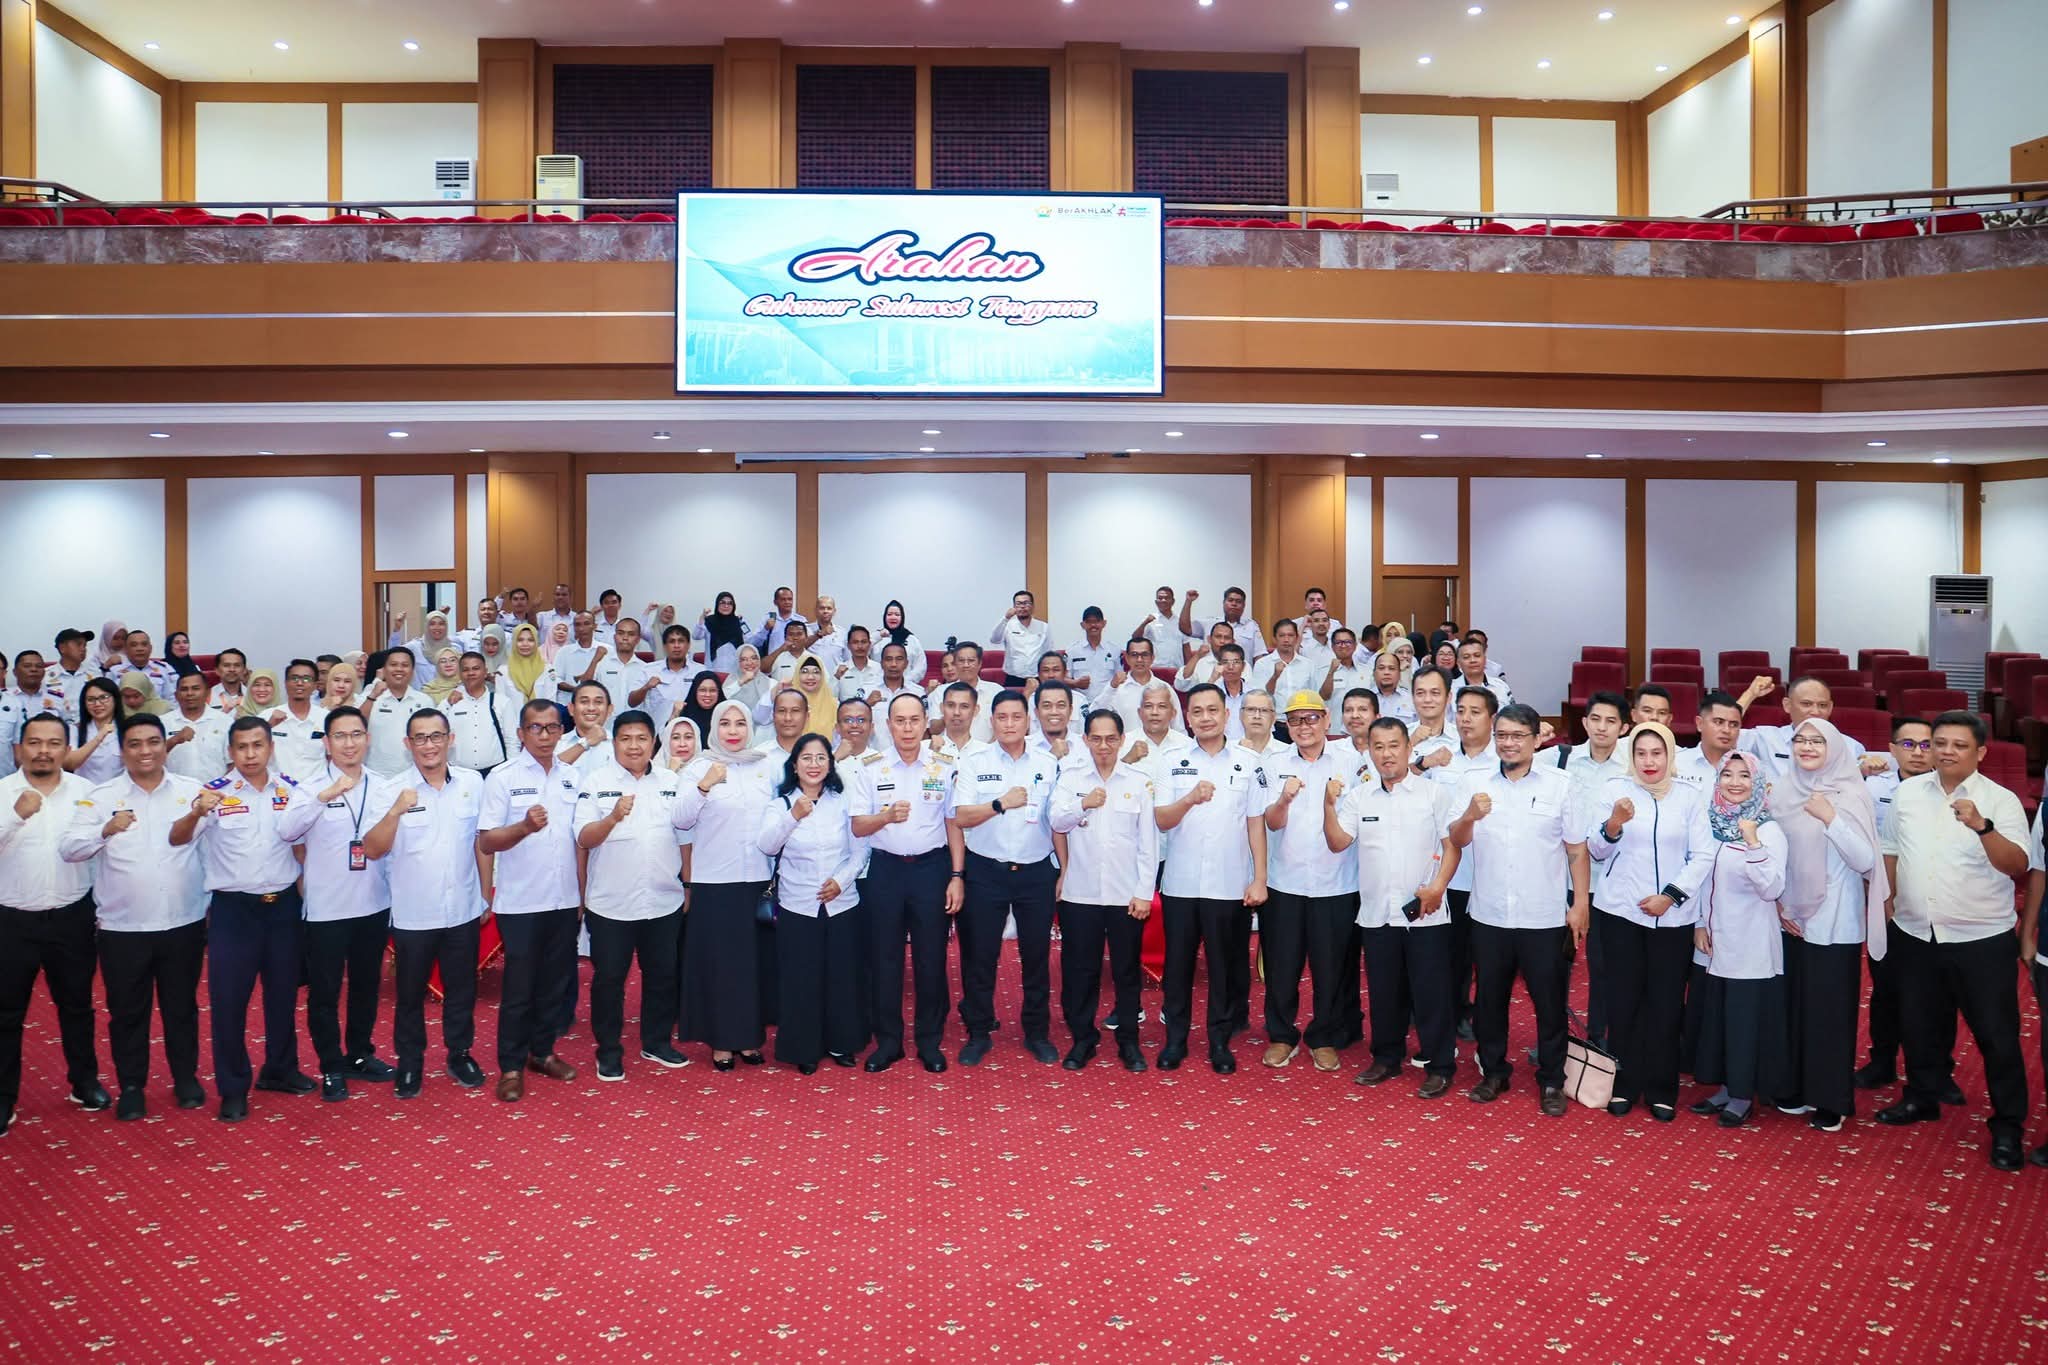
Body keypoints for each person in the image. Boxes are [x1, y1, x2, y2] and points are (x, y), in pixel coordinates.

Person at [1874, 712, 2030, 1170]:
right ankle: (1922, 1096)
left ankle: (2008, 1126)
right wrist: (1889, 904)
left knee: (1997, 1036)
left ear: (1980, 752)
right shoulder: (1906, 793)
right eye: (1937, 743)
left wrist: (1983, 827)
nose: (1944, 752)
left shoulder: (2000, 800)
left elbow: (2017, 865)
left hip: (1980, 937)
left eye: (1958, 745)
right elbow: (1891, 850)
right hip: (1915, 932)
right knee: (1918, 1025)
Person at [59, 715, 208, 1121]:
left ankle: (185, 1079)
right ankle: (131, 1086)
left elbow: (214, 846)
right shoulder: (101, 796)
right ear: (122, 750)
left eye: (154, 742)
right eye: (135, 744)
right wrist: (105, 830)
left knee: (181, 1007)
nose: (146, 751)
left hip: (183, 921)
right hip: (123, 928)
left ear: (165, 745)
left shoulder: (191, 791)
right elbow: (69, 848)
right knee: (127, 1012)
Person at [171, 717, 319, 1123]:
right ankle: (233, 1086)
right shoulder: (213, 794)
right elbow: (178, 838)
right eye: (242, 747)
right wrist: (195, 813)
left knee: (283, 995)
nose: (250, 755)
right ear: (230, 751)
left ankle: (280, 1069)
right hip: (234, 911)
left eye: (258, 745)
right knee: (229, 1002)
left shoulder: (291, 790)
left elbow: (303, 847)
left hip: (283, 907)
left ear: (271, 748)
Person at [1449, 703, 1591, 1117]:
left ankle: (1552, 1080)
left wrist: (1580, 903)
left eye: (1517, 736)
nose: (1509, 744)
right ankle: (1494, 1072)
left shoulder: (1561, 785)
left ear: (1536, 740)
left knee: (1550, 1003)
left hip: (1543, 915)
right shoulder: (1474, 782)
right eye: (1502, 736)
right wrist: (1470, 816)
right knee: (1489, 1000)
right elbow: (1456, 839)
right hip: (1490, 913)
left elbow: (1577, 849)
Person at [1327, 716, 1462, 1096]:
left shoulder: (1433, 794)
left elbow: (1452, 846)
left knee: (1431, 993)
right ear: (1370, 752)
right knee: (1384, 992)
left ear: (1408, 748)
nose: (1386, 754)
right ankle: (1386, 1058)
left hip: (1426, 912)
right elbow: (1338, 842)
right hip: (1377, 913)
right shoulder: (1360, 797)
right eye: (1379, 747)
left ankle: (1440, 1064)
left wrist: (1438, 888)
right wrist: (1328, 805)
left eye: (1393, 746)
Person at [1586, 723, 1711, 1123]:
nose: (1649, 761)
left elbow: (1703, 855)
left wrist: (1670, 896)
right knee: (1623, 1002)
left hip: (1672, 917)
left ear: (1670, 755)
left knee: (1665, 1003)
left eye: (1657, 752)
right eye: (1641, 753)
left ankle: (1661, 1088)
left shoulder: (1689, 796)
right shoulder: (1614, 790)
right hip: (1620, 912)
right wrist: (1613, 824)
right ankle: (1623, 1084)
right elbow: (1596, 850)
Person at [362, 708, 488, 1099]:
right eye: (420, 738)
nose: (429, 745)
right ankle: (410, 1063)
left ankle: (459, 1054)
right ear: (408, 744)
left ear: (451, 740)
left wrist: (486, 895)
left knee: (462, 990)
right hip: (413, 913)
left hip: (463, 907)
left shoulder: (472, 783)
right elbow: (372, 848)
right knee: (409, 996)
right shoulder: (390, 789)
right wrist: (395, 812)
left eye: (436, 736)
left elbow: (481, 842)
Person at [1768, 717, 1884, 1133]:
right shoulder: (1784, 791)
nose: (1807, 747)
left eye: (1818, 741)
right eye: (1801, 739)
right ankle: (1795, 1088)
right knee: (1794, 1008)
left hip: (1835, 921)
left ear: (1834, 748)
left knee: (1829, 1014)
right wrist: (1780, 904)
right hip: (1791, 916)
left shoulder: (1851, 793)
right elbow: (1776, 855)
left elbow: (1866, 861)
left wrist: (1831, 818)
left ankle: (1831, 1099)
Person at [1154, 683, 1272, 1074]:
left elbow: (1255, 824)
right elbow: (1161, 819)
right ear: (1187, 719)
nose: (1205, 718)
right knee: (1178, 967)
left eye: (1212, 710)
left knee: (1224, 966)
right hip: (1182, 883)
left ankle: (1220, 1040)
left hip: (1229, 883)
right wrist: (1189, 798)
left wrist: (1260, 878)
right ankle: (1175, 1039)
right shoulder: (1170, 760)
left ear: (1226, 715)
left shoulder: (1248, 762)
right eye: (1197, 712)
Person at [0, 713, 109, 1132]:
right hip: (11, 920)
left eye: (53, 743)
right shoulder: (4, 792)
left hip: (71, 916)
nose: (43, 751)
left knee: (77, 1006)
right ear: (19, 749)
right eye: (34, 742)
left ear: (67, 749)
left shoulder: (86, 792)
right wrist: (14, 816)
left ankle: (84, 1083)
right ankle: (3, 1098)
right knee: (7, 1014)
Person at [573, 710, 691, 1081]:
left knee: (663, 976)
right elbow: (583, 838)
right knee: (609, 980)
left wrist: (688, 885)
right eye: (626, 738)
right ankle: (608, 1051)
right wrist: (611, 818)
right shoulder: (596, 781)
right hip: (611, 903)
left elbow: (685, 838)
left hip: (664, 899)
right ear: (614, 743)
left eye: (642, 738)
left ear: (653, 742)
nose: (634, 746)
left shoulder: (672, 781)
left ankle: (656, 1042)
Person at [477, 699, 586, 1101]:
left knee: (554, 984)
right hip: (521, 902)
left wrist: (581, 893)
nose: (544, 735)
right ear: (521, 733)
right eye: (535, 728)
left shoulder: (572, 776)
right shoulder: (502, 778)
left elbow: (579, 841)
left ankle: (542, 1052)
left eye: (552, 728)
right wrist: (523, 827)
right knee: (519, 989)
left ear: (562, 732)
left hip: (564, 899)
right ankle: (510, 1066)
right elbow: (487, 840)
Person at [947, 691, 1063, 1067]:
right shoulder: (974, 761)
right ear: (992, 721)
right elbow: (961, 816)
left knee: (1037, 957)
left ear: (1028, 721)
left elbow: (1057, 822)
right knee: (980, 956)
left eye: (1016, 717)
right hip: (986, 871)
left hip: (1035, 872)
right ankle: (978, 1032)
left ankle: (1037, 1033)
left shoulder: (1048, 763)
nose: (1009, 724)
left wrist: (1064, 870)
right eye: (1002, 717)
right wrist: (1000, 803)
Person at [851, 693, 965, 1073]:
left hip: (931, 870)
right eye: (899, 721)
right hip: (886, 871)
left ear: (925, 723)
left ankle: (929, 1041)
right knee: (885, 959)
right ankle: (889, 1042)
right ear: (888, 726)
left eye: (914, 720)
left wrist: (957, 876)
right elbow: (858, 825)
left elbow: (953, 824)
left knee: (931, 959)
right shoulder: (871, 767)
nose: (907, 728)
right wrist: (884, 817)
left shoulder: (943, 765)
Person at [294, 706, 399, 1102]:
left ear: (368, 739)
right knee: (324, 993)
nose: (349, 743)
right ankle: (330, 1065)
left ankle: (359, 1055)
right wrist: (322, 798)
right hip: (327, 909)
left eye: (356, 734)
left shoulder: (384, 786)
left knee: (366, 986)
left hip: (372, 904)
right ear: (327, 743)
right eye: (340, 736)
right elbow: (287, 832)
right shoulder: (310, 786)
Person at [1048, 708, 1157, 1072]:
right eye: (1096, 739)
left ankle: (1129, 1041)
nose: (1104, 746)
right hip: (1081, 893)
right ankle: (1083, 1038)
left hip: (1125, 895)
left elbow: (1148, 843)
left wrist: (1144, 892)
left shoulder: (1138, 782)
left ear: (1122, 740)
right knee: (1080, 971)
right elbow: (1055, 820)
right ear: (1085, 740)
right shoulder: (1071, 777)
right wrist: (1083, 803)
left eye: (1111, 739)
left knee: (1126, 971)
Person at [1259, 691, 1362, 1072]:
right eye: (1295, 720)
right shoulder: (1273, 763)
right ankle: (1282, 1035)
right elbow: (1271, 822)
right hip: (1285, 882)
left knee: (1331, 967)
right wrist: (1283, 800)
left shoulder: (1351, 762)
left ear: (1327, 720)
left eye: (1312, 718)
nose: (1304, 726)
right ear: (1286, 725)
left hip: (1336, 883)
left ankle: (1324, 1037)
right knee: (1282, 965)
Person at [672, 700, 778, 1069]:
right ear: (714, 728)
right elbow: (680, 819)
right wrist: (704, 785)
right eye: (725, 723)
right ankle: (720, 1040)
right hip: (716, 881)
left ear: (750, 727)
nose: (733, 731)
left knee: (752, 965)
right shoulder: (698, 767)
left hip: (758, 879)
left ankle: (748, 1038)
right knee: (721, 966)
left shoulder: (764, 765)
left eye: (740, 723)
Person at [756, 733, 868, 1073]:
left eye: (821, 758)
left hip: (842, 903)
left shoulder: (844, 801)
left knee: (842, 976)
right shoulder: (780, 804)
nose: (814, 764)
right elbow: (766, 845)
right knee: (801, 978)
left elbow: (860, 850)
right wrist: (793, 815)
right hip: (797, 905)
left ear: (830, 764)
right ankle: (804, 1047)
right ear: (794, 765)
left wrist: (840, 881)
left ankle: (842, 1043)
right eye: (806, 758)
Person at [1689, 752, 1790, 1128]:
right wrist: (1700, 923)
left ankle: (1744, 1095)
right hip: (1714, 942)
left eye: (1744, 775)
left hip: (1751, 943)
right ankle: (1726, 1087)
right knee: (1719, 1020)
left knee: (1744, 1022)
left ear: (1758, 783)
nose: (1734, 782)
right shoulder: (1710, 823)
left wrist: (1753, 843)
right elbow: (1702, 878)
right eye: (1727, 774)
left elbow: (1773, 888)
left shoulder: (1769, 830)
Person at [1856, 717, 1954, 1096]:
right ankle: (1882, 1061)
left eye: (1927, 745)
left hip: (1935, 907)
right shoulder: (1871, 787)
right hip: (1882, 903)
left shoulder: (1951, 790)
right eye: (1908, 745)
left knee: (1941, 993)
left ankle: (1940, 1071)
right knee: (1886, 988)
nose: (1918, 753)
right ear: (1892, 749)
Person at [1565, 691, 1630, 1050]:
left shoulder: (1631, 769)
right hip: (1565, 879)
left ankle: (1598, 1039)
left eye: (1611, 721)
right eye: (1596, 719)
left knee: (1604, 965)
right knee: (1557, 964)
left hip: (1609, 882)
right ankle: (1555, 1039)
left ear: (1624, 728)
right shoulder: (1561, 760)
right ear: (1585, 722)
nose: (1602, 727)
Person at [364, 649, 433, 778]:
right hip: (376, 773)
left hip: (414, 774)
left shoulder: (424, 701)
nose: (399, 669)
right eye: (393, 665)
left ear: (412, 671)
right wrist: (372, 696)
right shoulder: (369, 697)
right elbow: (357, 724)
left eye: (405, 665)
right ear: (384, 670)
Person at [447, 651, 518, 775]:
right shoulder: (450, 704)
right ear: (460, 674)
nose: (471, 673)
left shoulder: (502, 702)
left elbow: (512, 740)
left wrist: (512, 771)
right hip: (459, 774)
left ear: (485, 672)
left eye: (476, 668)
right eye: (465, 670)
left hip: (496, 772)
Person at [267, 660, 329, 784]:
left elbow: (333, 757)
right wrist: (268, 726)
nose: (300, 683)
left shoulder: (326, 718)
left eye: (306, 679)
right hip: (278, 789)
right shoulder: (267, 716)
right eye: (294, 678)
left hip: (317, 789)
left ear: (315, 685)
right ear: (285, 683)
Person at [162, 672, 230, 782]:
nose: (190, 693)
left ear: (207, 692)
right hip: (174, 790)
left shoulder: (225, 721)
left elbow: (233, 762)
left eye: (196, 688)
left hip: (217, 789)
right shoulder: (162, 722)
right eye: (184, 689)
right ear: (176, 695)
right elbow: (152, 758)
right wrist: (174, 740)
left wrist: (221, 787)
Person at [1676, 691, 1745, 792]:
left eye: (1734, 724)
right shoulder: (1677, 762)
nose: (1726, 730)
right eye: (1719, 722)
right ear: (1699, 724)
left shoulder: (1749, 768)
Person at [1180, 585, 1265, 662]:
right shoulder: (1210, 623)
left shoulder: (1251, 626)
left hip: (1242, 672)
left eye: (1238, 601)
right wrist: (1188, 601)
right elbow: (1185, 628)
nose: (1234, 604)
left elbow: (1259, 655)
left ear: (1244, 605)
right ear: (1224, 603)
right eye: (1230, 600)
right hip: (1210, 671)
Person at [65, 677, 126, 783]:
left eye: (104, 697)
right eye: (91, 699)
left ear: (115, 699)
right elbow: (69, 764)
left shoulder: (127, 728)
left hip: (119, 790)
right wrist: (100, 736)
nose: (97, 704)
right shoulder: (75, 729)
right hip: (85, 790)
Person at [990, 590, 1052, 686]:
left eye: (1026, 603)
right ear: (1014, 607)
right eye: (1018, 604)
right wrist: (1005, 618)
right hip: (1013, 677)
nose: (1022, 606)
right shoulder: (1008, 625)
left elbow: (1048, 651)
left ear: (1032, 606)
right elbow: (995, 640)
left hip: (1036, 677)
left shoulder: (1043, 627)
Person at [1255, 619, 1319, 707]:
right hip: (1274, 715)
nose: (1286, 640)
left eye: (1290, 635)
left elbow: (1314, 696)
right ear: (1274, 639)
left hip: (1300, 714)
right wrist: (1275, 677)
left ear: (1297, 638)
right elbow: (1259, 697)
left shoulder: (1308, 665)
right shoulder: (1262, 664)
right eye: (1282, 636)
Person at [1065, 606, 1118, 707]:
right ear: (1082, 625)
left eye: (1097, 621)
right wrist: (1075, 683)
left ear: (1104, 623)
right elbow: (1063, 678)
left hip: (1107, 704)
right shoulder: (1072, 650)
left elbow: (1120, 678)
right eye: (1089, 622)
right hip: (1081, 704)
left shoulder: (1115, 650)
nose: (1093, 625)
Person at [47, 628, 99, 722]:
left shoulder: (95, 674)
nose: (83, 649)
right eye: (78, 644)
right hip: (57, 727)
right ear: (62, 648)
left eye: (85, 645)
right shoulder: (45, 676)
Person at [559, 680, 615, 767]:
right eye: (584, 702)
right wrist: (585, 743)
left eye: (598, 702)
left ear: (609, 710)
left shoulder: (620, 745)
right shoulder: (556, 744)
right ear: (571, 709)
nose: (591, 708)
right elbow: (548, 771)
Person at [876, 600, 926, 687]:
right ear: (884, 617)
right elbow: (864, 657)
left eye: (897, 614)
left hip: (907, 686)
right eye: (889, 614)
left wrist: (904, 681)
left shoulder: (912, 640)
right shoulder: (877, 638)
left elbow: (920, 667)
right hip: (880, 685)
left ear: (902, 617)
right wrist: (877, 636)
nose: (893, 617)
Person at [747, 586, 808, 654]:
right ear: (775, 602)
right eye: (783, 599)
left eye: (790, 599)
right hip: (774, 659)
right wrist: (765, 629)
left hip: (795, 658)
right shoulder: (768, 618)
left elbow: (808, 643)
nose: (787, 602)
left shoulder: (801, 620)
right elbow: (753, 643)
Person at [1318, 628, 1370, 704]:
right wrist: (1331, 673)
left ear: (1355, 645)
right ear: (1332, 647)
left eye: (1348, 642)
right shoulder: (1323, 671)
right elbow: (1323, 697)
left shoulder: (1367, 671)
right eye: (1338, 642)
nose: (1343, 646)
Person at [1135, 586, 1185, 665]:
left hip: (1177, 668)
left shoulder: (1181, 621)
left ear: (1173, 601)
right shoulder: (1149, 620)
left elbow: (1186, 646)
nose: (1163, 600)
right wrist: (1145, 623)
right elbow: (1135, 638)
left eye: (1167, 598)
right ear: (1156, 602)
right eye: (1160, 598)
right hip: (1156, 667)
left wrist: (1188, 668)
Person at [1368, 651, 1415, 724]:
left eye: (1391, 668)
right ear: (1374, 673)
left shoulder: (1411, 700)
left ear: (1399, 674)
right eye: (1381, 668)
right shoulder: (1365, 699)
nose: (1386, 672)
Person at [207, 647, 250, 714]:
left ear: (244, 670)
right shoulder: (206, 696)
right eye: (226, 665)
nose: (232, 669)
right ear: (217, 670)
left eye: (237, 665)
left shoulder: (252, 695)